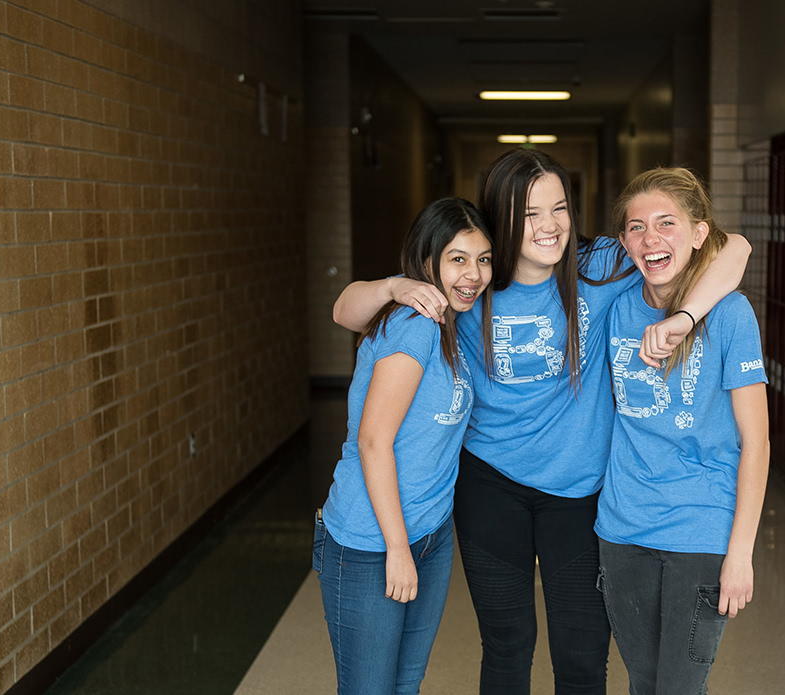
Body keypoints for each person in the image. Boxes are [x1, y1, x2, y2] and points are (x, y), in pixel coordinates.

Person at [332, 149, 752, 694]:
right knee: (507, 647)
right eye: (530, 213)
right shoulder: (472, 282)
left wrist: (684, 317)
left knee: (581, 654)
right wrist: (393, 286)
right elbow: (346, 311)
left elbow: (733, 247)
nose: (549, 225)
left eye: (559, 208)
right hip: (490, 486)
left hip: (579, 492)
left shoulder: (599, 267)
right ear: (501, 219)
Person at [595, 167, 770, 695]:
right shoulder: (616, 306)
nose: (651, 239)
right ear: (624, 242)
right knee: (643, 683)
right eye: (636, 227)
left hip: (701, 528)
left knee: (679, 687)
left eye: (667, 223)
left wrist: (741, 551)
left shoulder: (731, 315)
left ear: (698, 234)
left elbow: (756, 443)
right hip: (622, 528)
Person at [314, 197, 493, 695]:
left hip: (429, 533)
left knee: (404, 684)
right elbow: (374, 441)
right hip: (372, 541)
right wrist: (396, 546)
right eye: (458, 259)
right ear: (428, 261)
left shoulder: (454, 327)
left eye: (483, 259)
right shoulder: (414, 327)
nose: (474, 275)